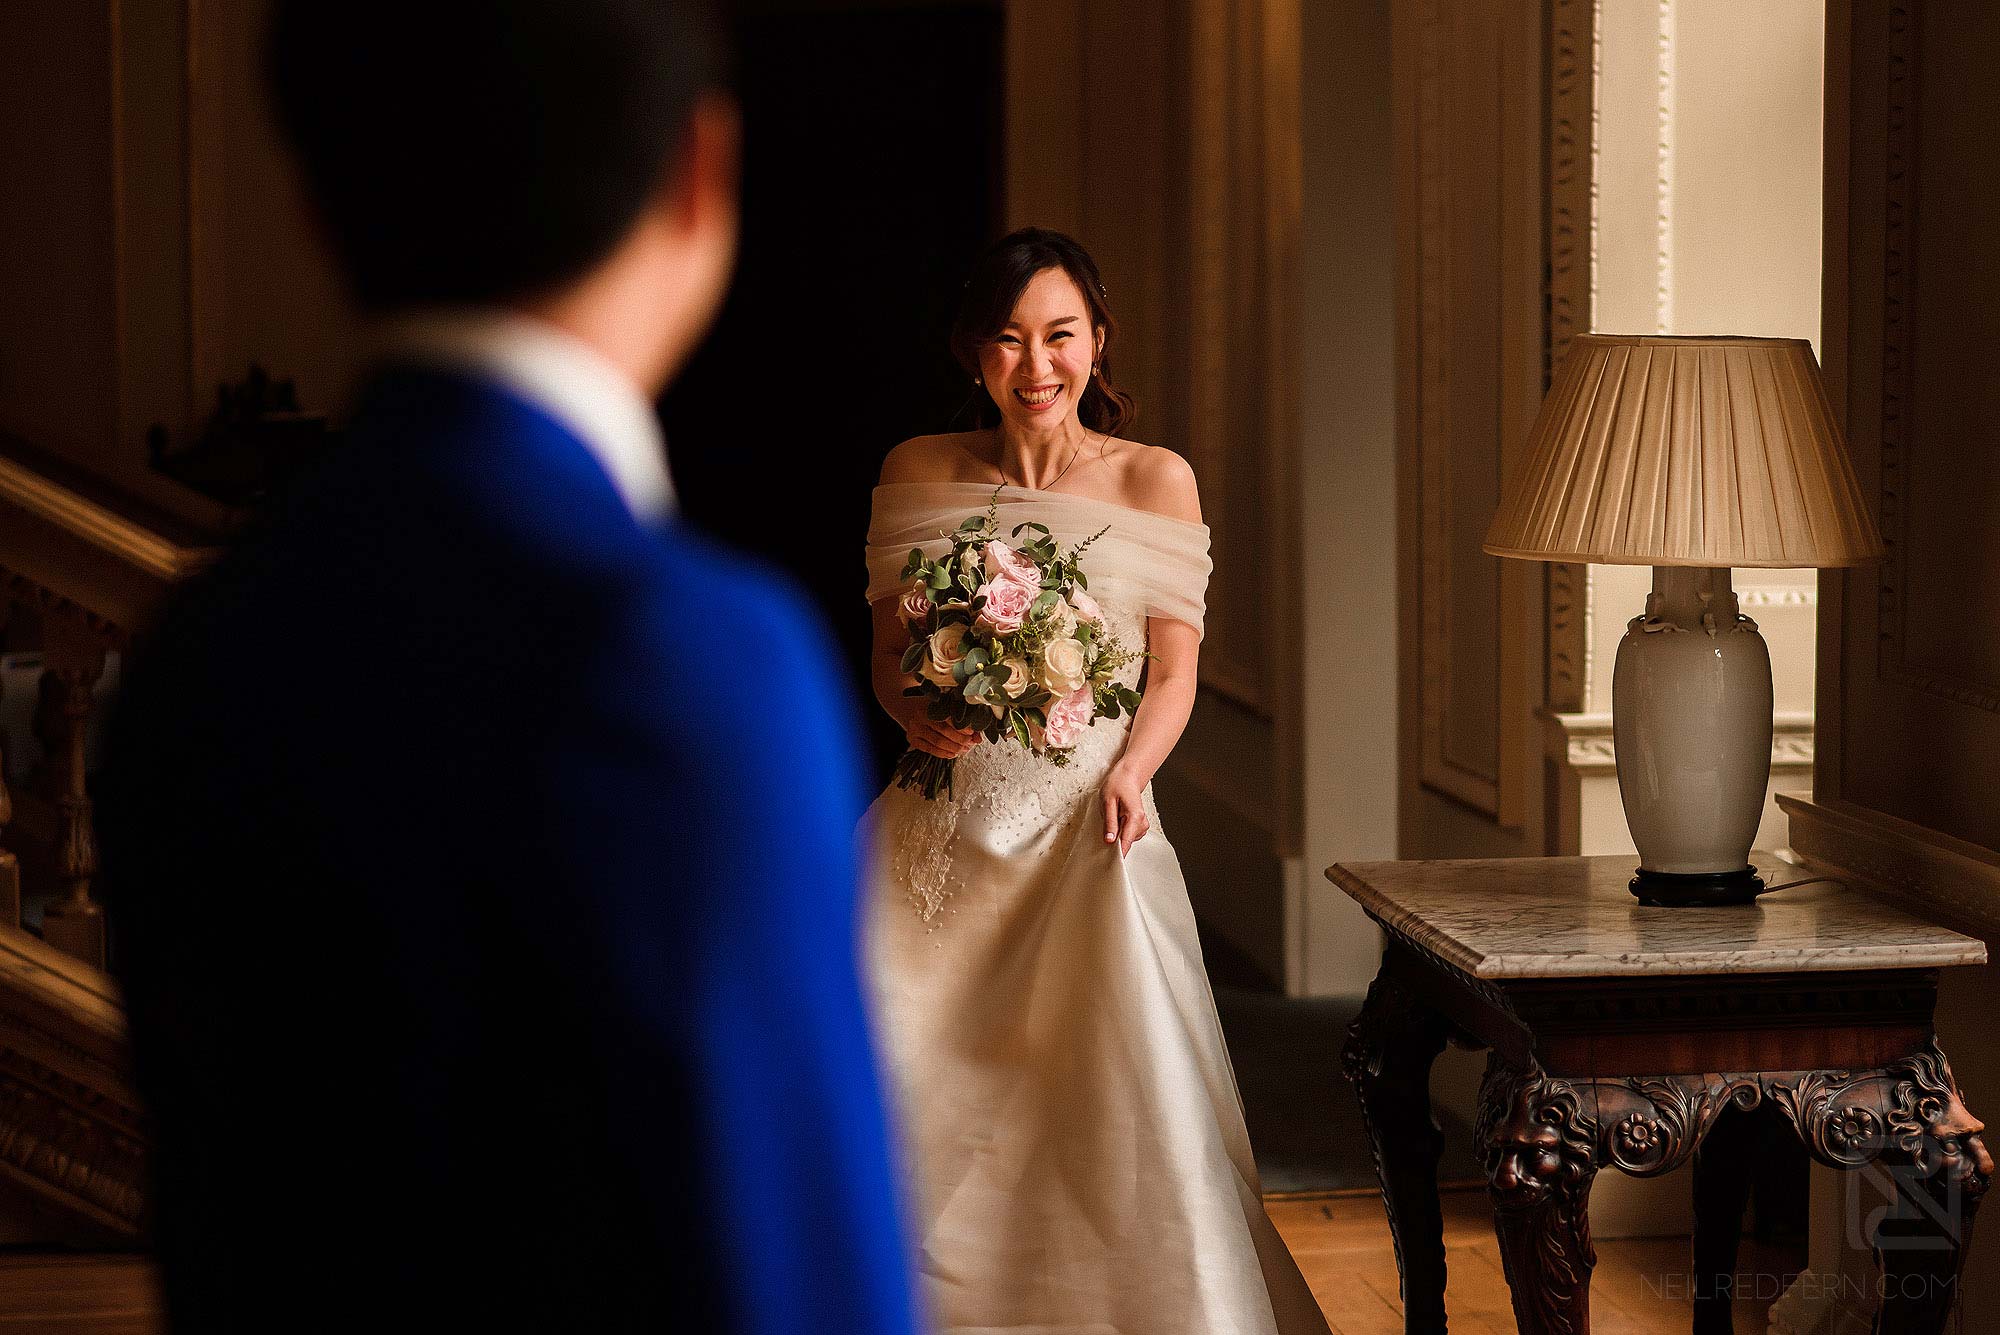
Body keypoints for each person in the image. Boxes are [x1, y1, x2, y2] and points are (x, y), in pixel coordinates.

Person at [95, 4, 915, 1332]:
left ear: (310, 199)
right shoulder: (685, 659)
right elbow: (801, 1279)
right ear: (700, 175)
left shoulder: (196, 652)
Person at [861, 227, 1332, 1333]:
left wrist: (1133, 769)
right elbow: (888, 654)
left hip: (1088, 823)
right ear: (972, 352)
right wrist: (912, 710)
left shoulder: (1152, 479)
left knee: (1095, 1102)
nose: (1036, 368)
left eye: (1059, 336)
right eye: (1009, 340)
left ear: (1097, 341)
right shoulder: (916, 470)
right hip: (939, 829)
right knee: (900, 1073)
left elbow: (1172, 668)